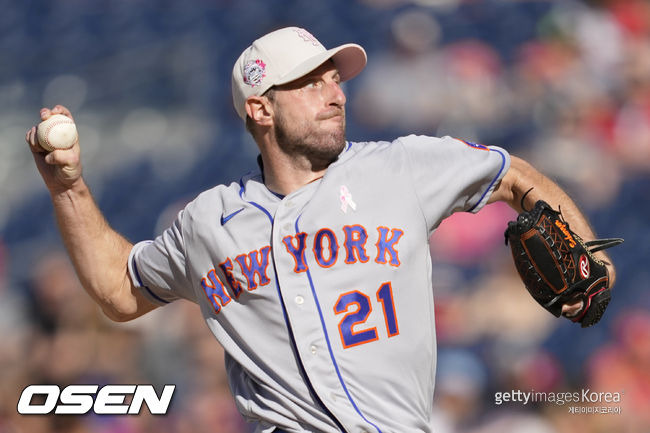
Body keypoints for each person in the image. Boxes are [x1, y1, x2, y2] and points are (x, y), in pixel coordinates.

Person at [26, 27, 616, 433]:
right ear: (260, 108)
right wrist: (69, 189)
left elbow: (511, 173)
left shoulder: (401, 166)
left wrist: (591, 254)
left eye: (335, 79)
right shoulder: (209, 220)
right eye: (310, 82)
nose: (334, 93)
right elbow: (118, 289)